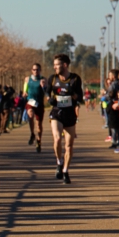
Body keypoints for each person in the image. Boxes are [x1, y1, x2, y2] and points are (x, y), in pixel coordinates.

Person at [48, 54, 83, 183]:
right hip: (57, 112)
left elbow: (80, 97)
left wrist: (72, 95)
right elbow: (47, 93)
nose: (54, 67)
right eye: (54, 65)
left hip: (70, 114)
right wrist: (49, 99)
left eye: (57, 65)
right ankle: (59, 161)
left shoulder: (75, 79)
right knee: (57, 139)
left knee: (69, 145)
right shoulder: (53, 78)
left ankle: (65, 171)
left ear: (65, 65)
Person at [24, 63, 47, 152]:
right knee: (30, 114)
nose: (35, 71)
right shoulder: (27, 79)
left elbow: (46, 92)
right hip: (30, 102)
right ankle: (32, 134)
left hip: (39, 104)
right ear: (31, 70)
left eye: (37, 69)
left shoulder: (43, 79)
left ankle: (39, 140)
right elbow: (25, 88)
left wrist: (43, 86)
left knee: (39, 125)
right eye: (34, 69)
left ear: (40, 70)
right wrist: (25, 92)